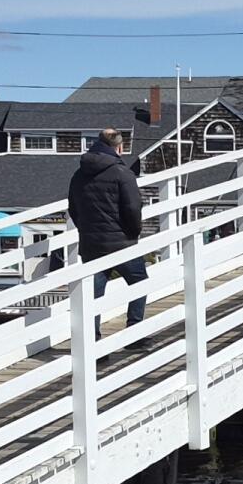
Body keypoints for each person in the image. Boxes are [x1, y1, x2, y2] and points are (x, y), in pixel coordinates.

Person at [66, 126, 147, 332]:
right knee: (139, 282)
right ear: (119, 147)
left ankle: (93, 342)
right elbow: (132, 207)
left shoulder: (78, 175)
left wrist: (85, 230)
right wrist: (133, 232)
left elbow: (73, 209)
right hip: (122, 243)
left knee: (93, 295)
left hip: (91, 244)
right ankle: (134, 331)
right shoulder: (122, 173)